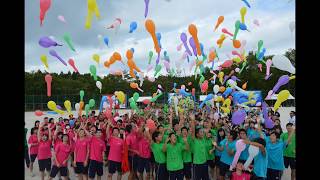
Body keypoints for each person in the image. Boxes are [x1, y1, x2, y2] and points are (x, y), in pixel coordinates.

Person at [190, 113, 210, 180]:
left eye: (202, 132)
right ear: (197, 134)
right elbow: (193, 130)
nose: (202, 133)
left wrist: (210, 119)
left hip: (204, 163)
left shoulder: (203, 139)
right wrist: (193, 120)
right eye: (201, 132)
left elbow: (208, 129)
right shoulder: (194, 140)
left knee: (206, 178)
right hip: (197, 164)